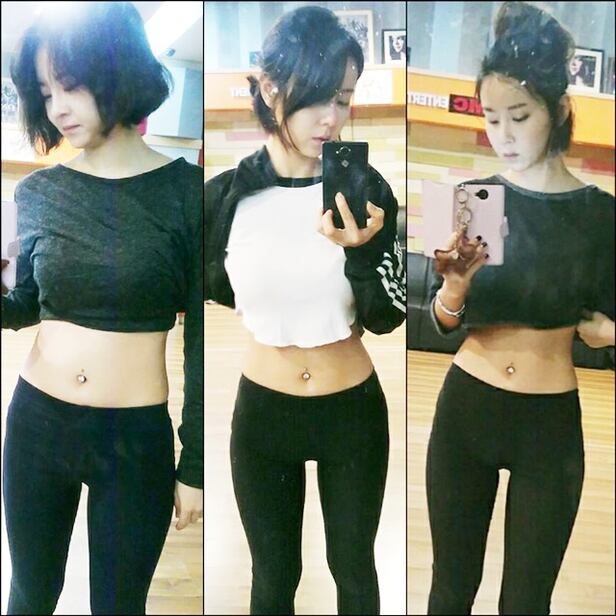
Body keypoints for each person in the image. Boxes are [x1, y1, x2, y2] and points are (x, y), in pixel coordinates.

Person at [1, 3, 203, 614]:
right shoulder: (37, 192)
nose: (58, 107)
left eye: (71, 85)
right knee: (30, 595)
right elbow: (26, 306)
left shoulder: (186, 194)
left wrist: (193, 464)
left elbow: (199, 341)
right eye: (46, 92)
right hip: (37, 424)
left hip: (134, 437)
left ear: (117, 73)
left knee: (118, 605)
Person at [204, 6, 405, 615]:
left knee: (354, 570)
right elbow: (218, 289)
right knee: (273, 578)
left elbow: (387, 317)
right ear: (270, 88)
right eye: (317, 98)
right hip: (263, 418)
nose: (331, 118)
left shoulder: (367, 191)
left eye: (343, 99)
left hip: (352, 414)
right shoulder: (224, 199)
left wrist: (363, 253)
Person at [425, 2, 614, 614]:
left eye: (519, 116)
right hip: (466, 412)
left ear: (558, 110)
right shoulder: (471, 199)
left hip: (548, 426)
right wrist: (453, 291)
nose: (502, 135)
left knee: (527, 601)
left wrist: (609, 332)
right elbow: (440, 322)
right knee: (450, 589)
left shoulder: (601, 215)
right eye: (491, 118)